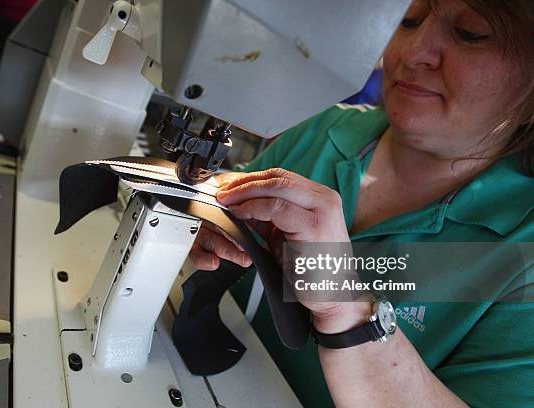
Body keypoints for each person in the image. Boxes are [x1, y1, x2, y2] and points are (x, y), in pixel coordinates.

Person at [189, 0, 534, 407]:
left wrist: (346, 307)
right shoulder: (324, 128)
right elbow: (216, 229)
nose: (412, 53)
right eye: (409, 21)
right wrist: (201, 218)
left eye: (470, 33)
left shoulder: (521, 250)